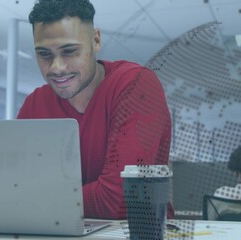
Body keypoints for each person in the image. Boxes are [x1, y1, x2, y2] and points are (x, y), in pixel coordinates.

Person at [17, 0, 173, 219]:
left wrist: (39, 200)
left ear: (96, 40)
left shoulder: (136, 85)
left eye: (69, 51)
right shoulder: (34, 104)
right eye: (44, 54)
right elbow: (17, 192)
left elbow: (119, 200)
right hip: (55, 230)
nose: (56, 67)